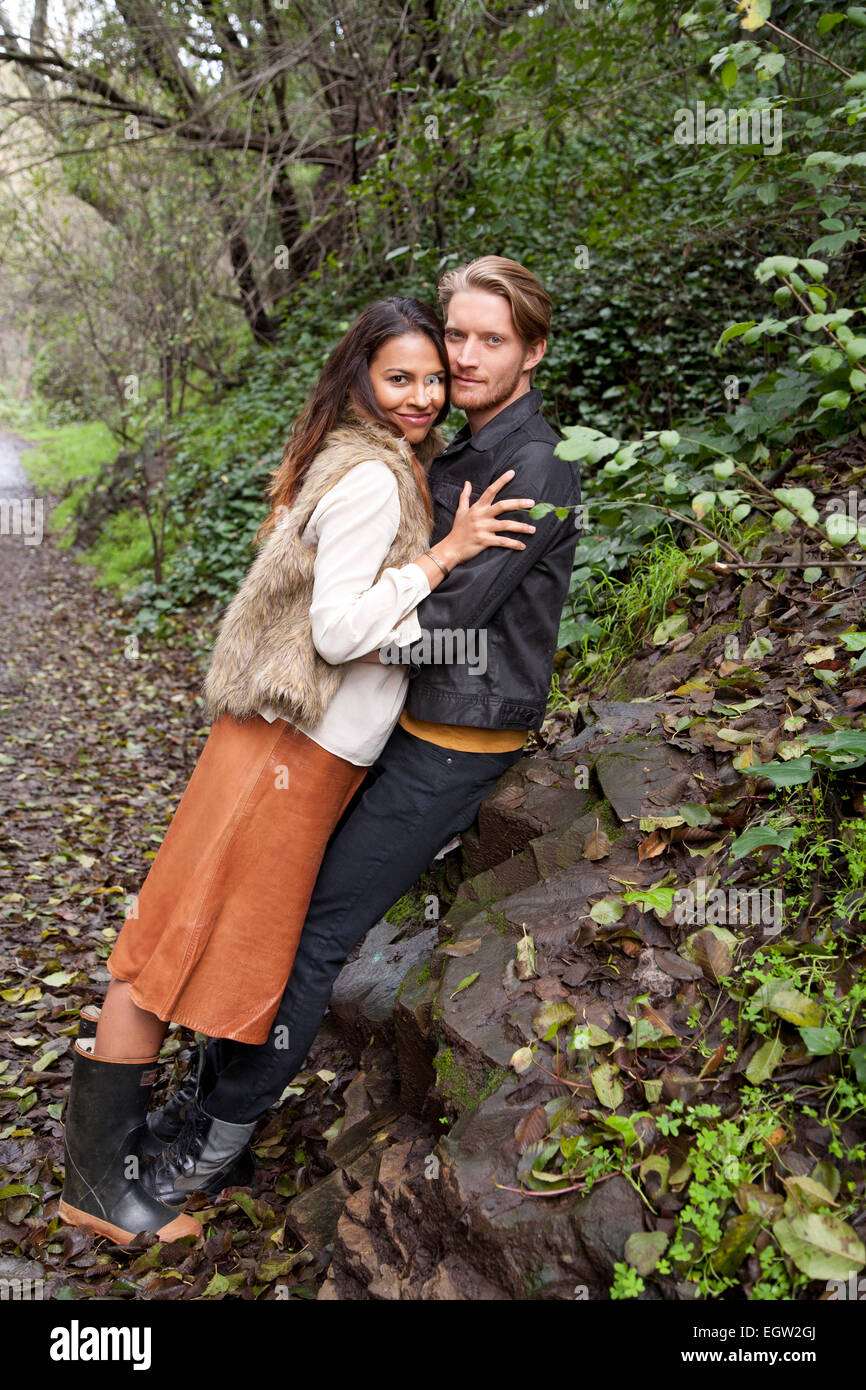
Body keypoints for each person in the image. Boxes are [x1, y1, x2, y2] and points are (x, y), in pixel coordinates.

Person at [58, 294, 538, 1245]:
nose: (423, 397)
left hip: (299, 754)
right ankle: (97, 1187)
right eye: (400, 378)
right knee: (169, 950)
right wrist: (442, 557)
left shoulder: (374, 458)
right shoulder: (371, 479)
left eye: (434, 379)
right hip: (285, 754)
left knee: (205, 945)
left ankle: (120, 1164)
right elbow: (341, 629)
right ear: (360, 375)